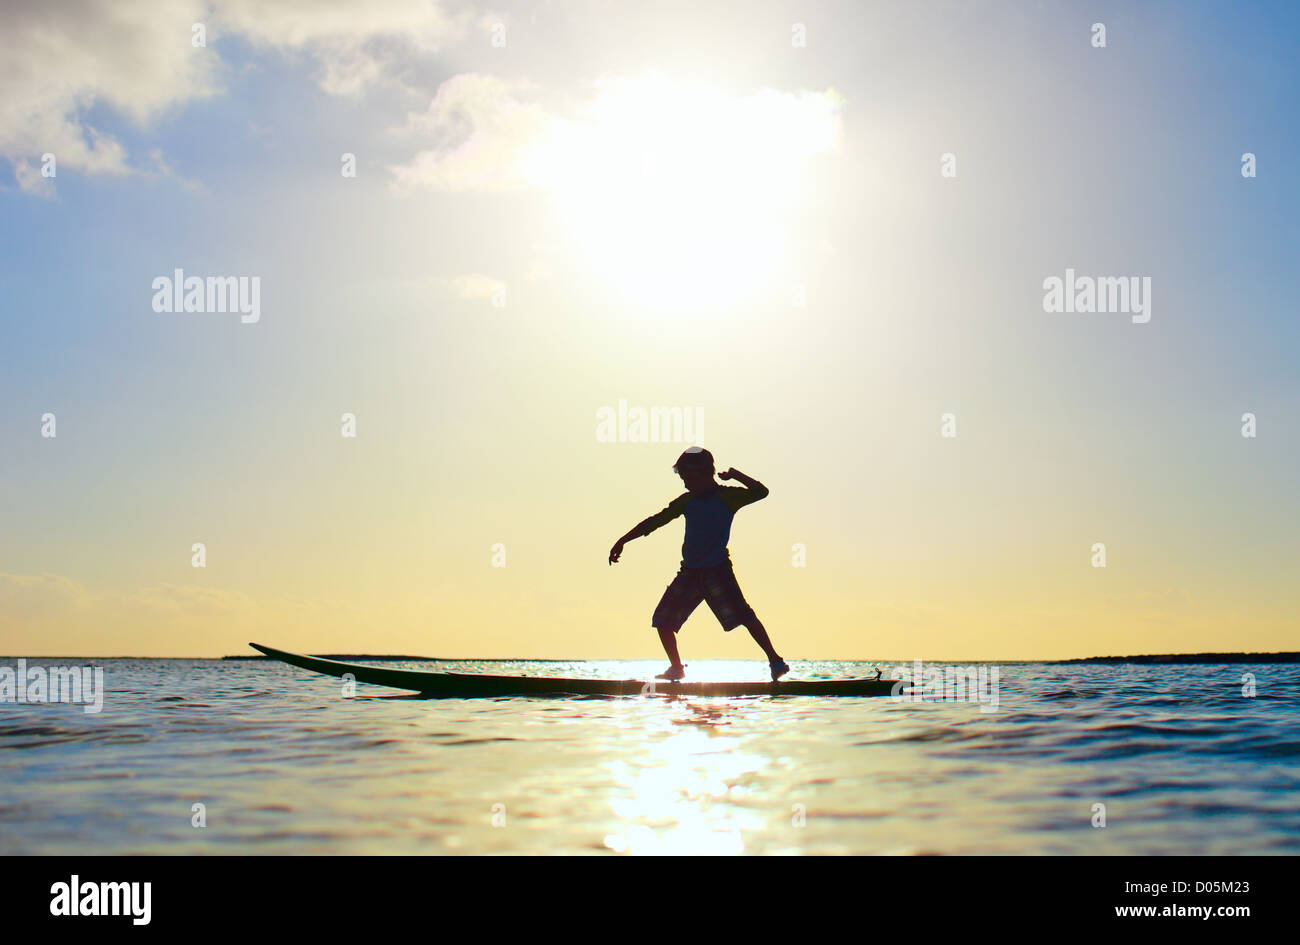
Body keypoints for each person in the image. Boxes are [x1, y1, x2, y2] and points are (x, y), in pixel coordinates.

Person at [608, 446, 789, 682]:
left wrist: (735, 474)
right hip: (690, 573)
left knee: (744, 615)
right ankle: (676, 668)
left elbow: (760, 492)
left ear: (705, 473)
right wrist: (623, 540)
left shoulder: (727, 497)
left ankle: (775, 661)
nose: (685, 484)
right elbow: (655, 521)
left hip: (717, 570)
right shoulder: (687, 501)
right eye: (682, 478)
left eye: (688, 478)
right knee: (662, 619)